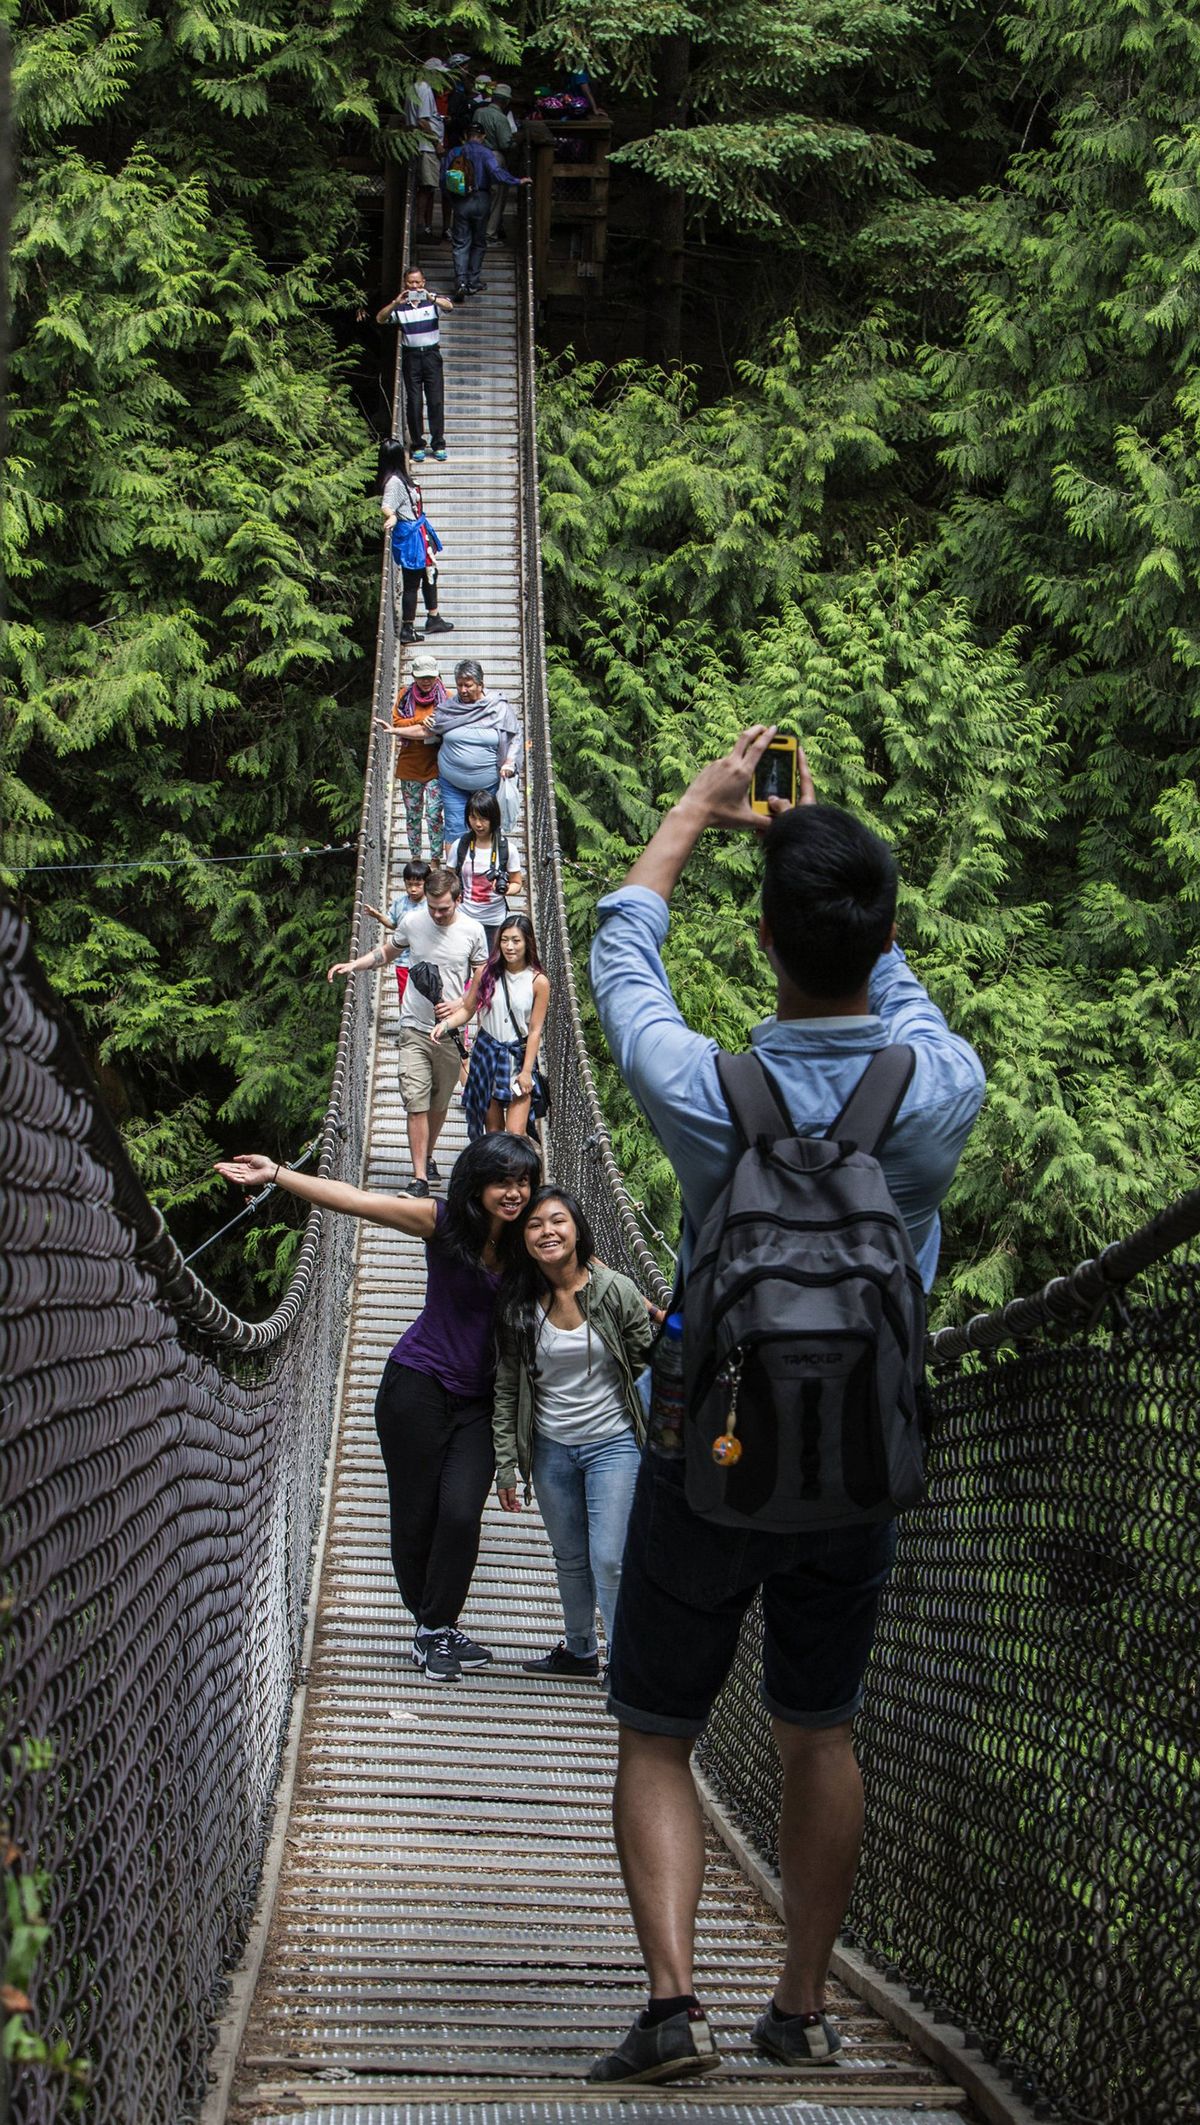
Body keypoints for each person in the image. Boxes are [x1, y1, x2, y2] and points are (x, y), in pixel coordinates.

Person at [586, 725, 987, 2085]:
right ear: (878, 945)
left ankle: (670, 2007)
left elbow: (621, 957)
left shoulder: (709, 1092)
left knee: (658, 1725)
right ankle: (802, 2009)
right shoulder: (937, 1097)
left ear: (760, 945)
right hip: (858, 1468)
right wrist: (834, 875)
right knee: (819, 1727)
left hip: (713, 1455)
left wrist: (699, 815)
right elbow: (908, 1004)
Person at [214, 1135, 542, 1683]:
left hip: (483, 1402)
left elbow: (586, 1273)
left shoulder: (533, 1237)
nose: (514, 1192)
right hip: (417, 1386)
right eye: (502, 1181)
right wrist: (275, 1174)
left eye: (523, 1181)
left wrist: (664, 1317)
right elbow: (353, 1199)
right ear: (478, 1184)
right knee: (416, 1514)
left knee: (460, 1513)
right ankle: (433, 1629)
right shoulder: (439, 1220)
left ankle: (435, 1624)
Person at [494, 1188, 651, 1681]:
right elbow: (506, 1385)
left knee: (610, 1558)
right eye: (535, 1225)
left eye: (558, 1221)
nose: (547, 1232)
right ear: (524, 1239)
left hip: (614, 1442)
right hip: (551, 1448)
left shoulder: (616, 1290)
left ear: (577, 1229)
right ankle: (581, 1650)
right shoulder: (518, 1302)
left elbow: (650, 1365)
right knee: (569, 1556)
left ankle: (625, 1661)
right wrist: (506, 1463)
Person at [328, 863, 487, 1197]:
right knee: (415, 1101)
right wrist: (355, 964)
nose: (438, 915)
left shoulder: (473, 932)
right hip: (413, 1025)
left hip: (448, 1031)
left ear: (457, 900)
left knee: (439, 1103)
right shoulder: (414, 922)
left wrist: (460, 1004)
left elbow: (483, 979)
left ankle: (428, 1155)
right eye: (432, 908)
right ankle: (419, 1179)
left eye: (443, 908)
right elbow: (389, 952)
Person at [432, 913, 549, 1141]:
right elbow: (467, 1009)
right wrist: (445, 1024)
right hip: (487, 1053)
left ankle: (526, 1173)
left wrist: (526, 1072)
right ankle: (495, 1176)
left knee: (515, 1134)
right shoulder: (485, 972)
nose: (509, 946)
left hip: (517, 1057)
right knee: (494, 1132)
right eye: (504, 940)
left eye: (516, 940)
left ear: (527, 942)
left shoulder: (538, 981)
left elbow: (535, 1030)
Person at [421, 658, 520, 850]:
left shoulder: (499, 707)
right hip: (452, 783)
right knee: (454, 829)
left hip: (488, 785)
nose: (463, 690)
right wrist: (395, 730)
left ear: (480, 684)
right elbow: (430, 730)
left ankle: (485, 874)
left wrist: (509, 761)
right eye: (459, 685)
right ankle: (455, 877)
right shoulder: (450, 707)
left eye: (468, 685)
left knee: (486, 828)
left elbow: (514, 736)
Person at [441, 122, 532, 302]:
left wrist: (452, 200)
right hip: (481, 198)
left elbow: (443, 179)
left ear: (466, 135)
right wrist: (517, 181)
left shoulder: (454, 152)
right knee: (479, 241)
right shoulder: (486, 153)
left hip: (460, 201)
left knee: (460, 243)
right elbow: (497, 173)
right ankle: (473, 281)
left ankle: (460, 282)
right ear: (483, 137)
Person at [376, 648, 448, 861]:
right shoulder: (404, 695)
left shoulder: (448, 698)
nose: (426, 681)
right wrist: (421, 723)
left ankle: (435, 859)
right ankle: (416, 857)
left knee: (434, 814)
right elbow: (396, 722)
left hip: (437, 764)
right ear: (414, 677)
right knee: (413, 815)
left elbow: (449, 723)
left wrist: (428, 726)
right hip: (410, 764)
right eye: (421, 677)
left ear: (437, 676)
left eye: (430, 677)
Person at [377, 440, 451, 644]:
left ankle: (433, 617)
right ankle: (407, 629)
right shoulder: (394, 481)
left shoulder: (398, 477)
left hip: (417, 532)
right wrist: (391, 516)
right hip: (411, 536)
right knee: (412, 582)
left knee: (430, 573)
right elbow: (387, 505)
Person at [375, 274, 453, 465]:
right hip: (411, 356)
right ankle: (418, 445)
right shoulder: (401, 306)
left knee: (435, 400)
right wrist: (395, 303)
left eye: (418, 282)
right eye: (411, 282)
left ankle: (438, 444)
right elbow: (380, 318)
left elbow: (449, 306)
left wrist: (431, 297)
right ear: (405, 284)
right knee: (414, 402)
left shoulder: (431, 300)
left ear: (423, 282)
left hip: (431, 355)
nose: (415, 286)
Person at [450, 789, 523, 956]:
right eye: (473, 817)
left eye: (484, 818)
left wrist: (504, 889)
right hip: (464, 917)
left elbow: (517, 883)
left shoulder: (507, 849)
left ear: (493, 818)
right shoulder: (459, 846)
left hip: (494, 921)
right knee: (462, 966)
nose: (478, 824)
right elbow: (449, 878)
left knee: (490, 970)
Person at [404, 60, 449, 241]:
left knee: (426, 187)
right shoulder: (425, 89)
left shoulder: (415, 87)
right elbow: (423, 121)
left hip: (420, 143)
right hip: (426, 146)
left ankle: (422, 226)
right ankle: (421, 226)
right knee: (427, 187)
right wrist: (437, 143)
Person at [386, 860, 429, 1007]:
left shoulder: (432, 905)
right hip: (403, 960)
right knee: (404, 997)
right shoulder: (399, 903)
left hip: (426, 960)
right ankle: (405, 1024)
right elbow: (392, 924)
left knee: (426, 997)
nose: (413, 889)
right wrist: (378, 916)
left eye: (418, 885)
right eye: (409, 884)